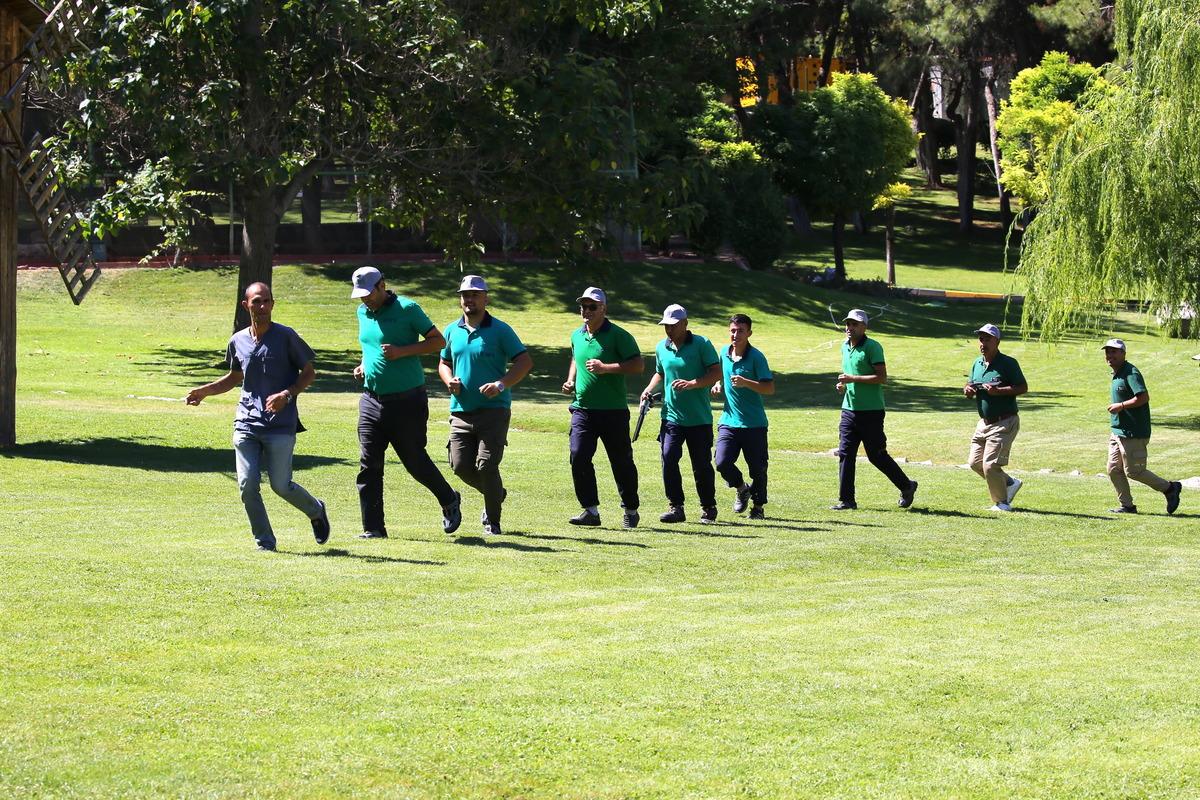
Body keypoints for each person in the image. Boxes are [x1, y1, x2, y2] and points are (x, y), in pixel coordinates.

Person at [186, 282, 330, 551]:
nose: (262, 307)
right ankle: (265, 541)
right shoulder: (237, 341)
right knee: (246, 484)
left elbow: (309, 372)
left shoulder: (286, 337)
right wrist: (204, 391)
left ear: (273, 304)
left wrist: (287, 394)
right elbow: (235, 378)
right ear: (246, 306)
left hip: (281, 424)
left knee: (281, 485)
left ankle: (316, 510)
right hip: (247, 422)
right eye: (256, 302)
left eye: (266, 302)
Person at [350, 266, 462, 540]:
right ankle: (373, 528)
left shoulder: (408, 308)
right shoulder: (363, 312)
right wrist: (364, 364)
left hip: (407, 401)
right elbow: (371, 345)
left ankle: (448, 498)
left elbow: (438, 341)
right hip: (371, 400)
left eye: (369, 293)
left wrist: (402, 352)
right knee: (369, 464)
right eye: (360, 295)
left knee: (414, 460)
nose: (365, 299)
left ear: (382, 285)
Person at [438, 275, 533, 536]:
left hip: (494, 410)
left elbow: (524, 362)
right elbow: (444, 362)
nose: (469, 299)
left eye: (475, 294)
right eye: (465, 295)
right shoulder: (452, 330)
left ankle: (493, 521)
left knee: (486, 466)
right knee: (459, 466)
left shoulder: (501, 330)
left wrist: (501, 385)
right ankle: (496, 493)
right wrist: (449, 380)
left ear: (486, 298)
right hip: (460, 410)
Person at [560, 287, 643, 529]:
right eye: (583, 306)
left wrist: (606, 368)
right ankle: (590, 511)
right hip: (583, 409)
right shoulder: (577, 334)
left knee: (621, 461)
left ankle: (630, 508)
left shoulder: (619, 335)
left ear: (603, 309)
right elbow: (576, 357)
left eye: (592, 306)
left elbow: (637, 365)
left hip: (613, 411)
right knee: (578, 456)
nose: (586, 311)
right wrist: (571, 380)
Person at [641, 304, 721, 523]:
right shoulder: (661, 347)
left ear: (685, 324)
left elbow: (716, 372)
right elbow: (660, 373)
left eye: (673, 326)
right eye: (666, 326)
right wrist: (648, 390)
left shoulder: (702, 344)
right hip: (671, 416)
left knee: (701, 464)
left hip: (699, 418)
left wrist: (694, 383)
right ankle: (676, 507)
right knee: (668, 458)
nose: (669, 330)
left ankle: (708, 507)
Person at [834, 308, 918, 511]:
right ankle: (847, 500)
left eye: (854, 324)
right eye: (848, 324)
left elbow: (882, 378)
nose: (849, 328)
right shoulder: (845, 347)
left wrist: (852, 379)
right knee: (846, 454)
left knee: (877, 455)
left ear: (864, 327)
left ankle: (907, 486)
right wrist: (843, 386)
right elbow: (850, 375)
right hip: (849, 410)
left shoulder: (873, 347)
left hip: (871, 411)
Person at [1102, 338, 1182, 514]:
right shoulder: (1117, 373)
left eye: (1114, 351)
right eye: (1108, 352)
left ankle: (1170, 488)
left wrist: (1120, 406)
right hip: (1118, 432)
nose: (1110, 355)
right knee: (1114, 469)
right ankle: (1127, 506)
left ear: (1123, 353)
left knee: (1134, 471)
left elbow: (1143, 397)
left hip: (1133, 433)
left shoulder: (1131, 372)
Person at [711, 314, 774, 519]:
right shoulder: (724, 353)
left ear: (749, 333)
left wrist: (747, 382)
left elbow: (769, 387)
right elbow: (720, 373)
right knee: (721, 461)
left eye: (740, 331)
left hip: (754, 424)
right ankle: (741, 488)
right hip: (729, 421)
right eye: (732, 330)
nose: (735, 334)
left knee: (758, 468)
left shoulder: (756, 357)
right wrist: (718, 383)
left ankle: (758, 507)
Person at [964, 324, 1028, 512]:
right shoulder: (977, 363)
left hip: (1004, 421)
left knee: (990, 465)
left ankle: (1002, 503)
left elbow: (1022, 387)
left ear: (997, 342)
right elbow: (970, 383)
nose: (983, 343)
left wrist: (998, 391)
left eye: (988, 339)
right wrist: (967, 390)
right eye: (981, 339)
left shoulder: (1008, 363)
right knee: (975, 463)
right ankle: (1009, 483)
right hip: (984, 423)